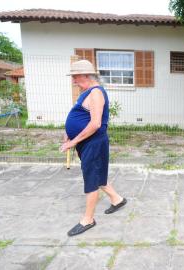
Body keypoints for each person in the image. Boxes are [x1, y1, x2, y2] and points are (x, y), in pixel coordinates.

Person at [60, 59, 127, 236]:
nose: (73, 80)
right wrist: (69, 133)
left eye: (75, 77)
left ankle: (88, 219)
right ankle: (117, 199)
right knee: (96, 173)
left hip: (94, 143)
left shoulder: (96, 93)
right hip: (86, 142)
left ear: (85, 75)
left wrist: (73, 142)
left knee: (91, 177)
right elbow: (80, 116)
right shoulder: (86, 91)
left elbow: (95, 124)